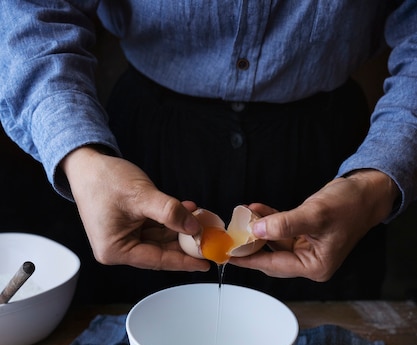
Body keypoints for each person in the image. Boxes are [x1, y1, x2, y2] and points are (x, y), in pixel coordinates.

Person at [0, 1, 416, 303]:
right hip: (144, 147)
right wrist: (80, 156)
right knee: (138, 337)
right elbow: (34, 11)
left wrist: (373, 184)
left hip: (331, 164)